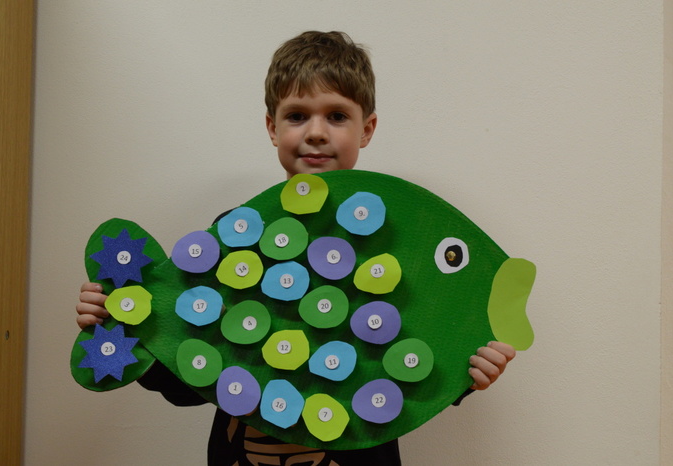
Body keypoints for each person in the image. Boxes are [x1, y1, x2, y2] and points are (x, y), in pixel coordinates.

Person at [76, 31, 516, 466]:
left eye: (337, 116)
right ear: (273, 127)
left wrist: (466, 374)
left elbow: (414, 358)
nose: (317, 133)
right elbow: (187, 378)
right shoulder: (235, 235)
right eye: (297, 116)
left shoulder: (398, 244)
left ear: (367, 129)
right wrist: (121, 319)